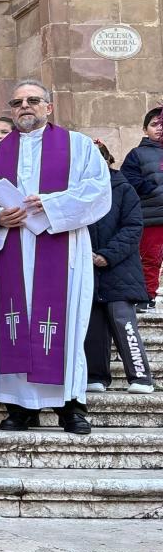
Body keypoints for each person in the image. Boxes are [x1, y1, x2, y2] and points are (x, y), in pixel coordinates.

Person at [0, 81, 110, 435]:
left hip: (62, 249)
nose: (25, 107)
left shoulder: (77, 147)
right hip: (11, 252)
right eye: (17, 102)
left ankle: (70, 408)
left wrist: (52, 204)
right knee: (14, 326)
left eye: (33, 100)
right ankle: (20, 409)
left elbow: (97, 190)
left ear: (50, 106)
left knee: (65, 329)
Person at [85, 141, 154, 394]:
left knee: (124, 324)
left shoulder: (123, 188)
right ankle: (96, 377)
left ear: (108, 160)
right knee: (93, 328)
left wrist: (106, 256)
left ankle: (140, 377)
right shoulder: (78, 191)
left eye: (100, 159)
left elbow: (133, 227)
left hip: (119, 270)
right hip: (89, 270)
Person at [120, 106, 163, 307]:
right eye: (155, 124)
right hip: (152, 217)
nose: (160, 128)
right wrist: (150, 188)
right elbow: (128, 180)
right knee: (150, 259)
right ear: (145, 129)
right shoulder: (137, 154)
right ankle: (147, 296)